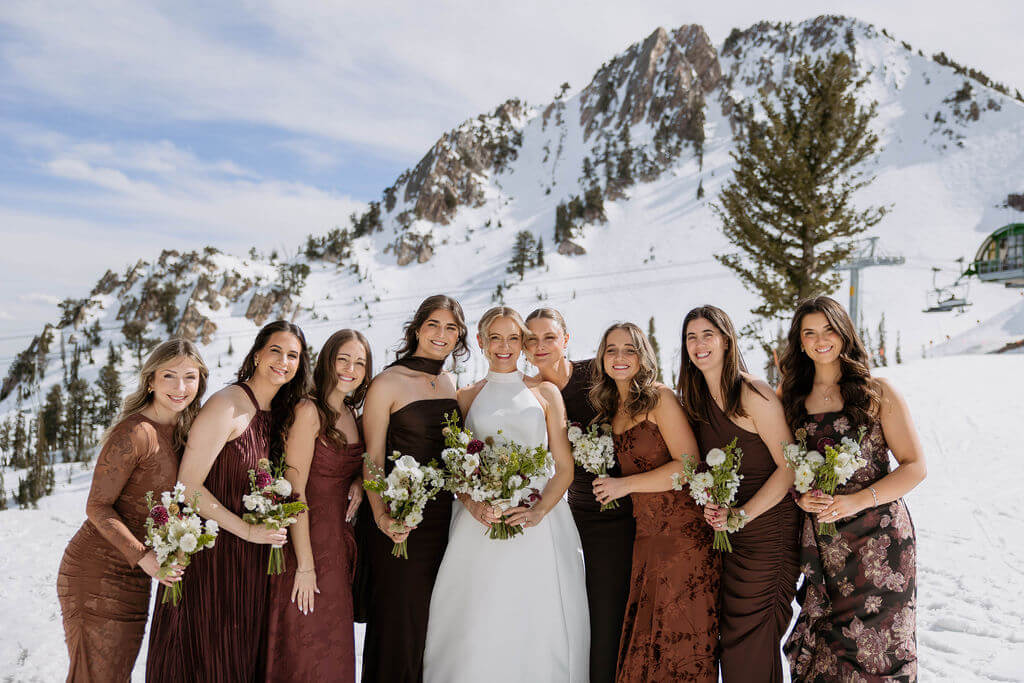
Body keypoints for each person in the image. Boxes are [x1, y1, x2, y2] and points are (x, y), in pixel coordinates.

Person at [423, 306, 589, 683]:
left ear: (523, 343)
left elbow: (564, 468)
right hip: (480, 523)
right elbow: (456, 466)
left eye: (513, 338)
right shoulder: (466, 397)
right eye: (495, 338)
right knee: (478, 616)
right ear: (481, 342)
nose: (504, 346)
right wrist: (472, 503)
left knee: (537, 618)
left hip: (538, 522)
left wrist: (538, 511)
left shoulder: (545, 392)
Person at [146, 321, 311, 682]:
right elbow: (188, 486)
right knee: (207, 662)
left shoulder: (280, 413)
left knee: (238, 662)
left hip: (249, 567)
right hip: (212, 562)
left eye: (293, 355)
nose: (283, 361)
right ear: (257, 355)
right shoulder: (227, 404)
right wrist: (247, 531)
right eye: (275, 351)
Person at [781, 296, 925, 681]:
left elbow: (915, 466)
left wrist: (857, 500)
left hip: (882, 547)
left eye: (828, 329)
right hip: (826, 550)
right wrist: (801, 495)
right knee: (827, 651)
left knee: (881, 654)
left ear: (844, 333)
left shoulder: (877, 391)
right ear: (800, 342)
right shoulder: (791, 398)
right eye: (809, 333)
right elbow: (786, 467)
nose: (820, 340)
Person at [57, 339, 207, 682]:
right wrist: (142, 555)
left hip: (137, 576)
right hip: (97, 572)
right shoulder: (136, 433)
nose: (180, 387)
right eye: (169, 376)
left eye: (190, 377)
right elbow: (97, 506)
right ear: (151, 380)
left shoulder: (187, 431)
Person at [590, 322, 718, 682]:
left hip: (683, 536)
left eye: (629, 349)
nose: (619, 357)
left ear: (642, 356)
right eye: (611, 349)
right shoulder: (611, 409)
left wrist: (622, 486)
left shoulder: (659, 398)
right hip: (646, 538)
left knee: (682, 640)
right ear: (601, 357)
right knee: (650, 641)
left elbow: (689, 465)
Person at [678, 305, 800, 682]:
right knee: (732, 642)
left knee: (751, 643)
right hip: (729, 537)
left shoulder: (752, 393)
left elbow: (789, 467)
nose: (699, 344)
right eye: (691, 337)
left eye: (708, 335)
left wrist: (742, 515)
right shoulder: (695, 399)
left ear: (727, 341)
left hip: (769, 533)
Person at [361, 295, 469, 682]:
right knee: (399, 627)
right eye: (433, 325)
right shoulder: (388, 382)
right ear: (418, 329)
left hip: (443, 520)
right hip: (399, 520)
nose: (441, 334)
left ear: (459, 336)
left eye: (451, 328)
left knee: (432, 627)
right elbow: (372, 459)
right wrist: (382, 516)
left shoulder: (450, 382)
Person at [524, 307, 634, 683]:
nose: (541, 346)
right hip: (577, 513)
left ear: (566, 339)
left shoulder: (597, 373)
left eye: (549, 337)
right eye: (532, 339)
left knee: (613, 609)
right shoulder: (530, 394)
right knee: (580, 610)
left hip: (628, 505)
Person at [265, 329, 372, 682]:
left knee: (333, 648)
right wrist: (306, 566)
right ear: (327, 361)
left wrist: (358, 482)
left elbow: (350, 466)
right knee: (305, 647)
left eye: (359, 363)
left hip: (338, 548)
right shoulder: (308, 410)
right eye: (343, 359)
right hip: (306, 544)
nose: (350, 369)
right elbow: (295, 491)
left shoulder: (351, 413)